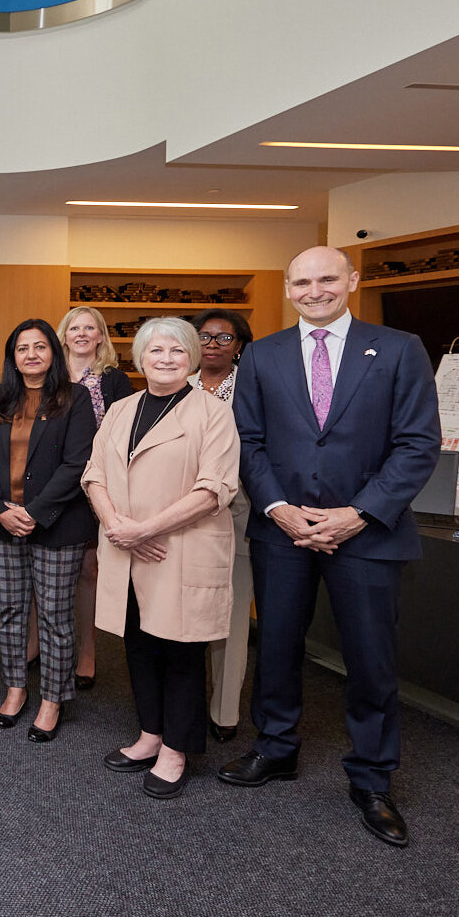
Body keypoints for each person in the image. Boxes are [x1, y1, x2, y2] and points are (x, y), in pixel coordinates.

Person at [219, 246, 440, 848]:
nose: (315, 290)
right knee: (279, 648)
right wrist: (279, 509)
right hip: (282, 531)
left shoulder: (398, 349)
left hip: (368, 535)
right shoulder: (262, 355)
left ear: (352, 280)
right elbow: (248, 440)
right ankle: (277, 749)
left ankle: (372, 779)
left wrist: (358, 513)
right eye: (302, 281)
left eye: (326, 278)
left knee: (371, 661)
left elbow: (418, 444)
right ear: (288, 289)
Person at [82, 317, 239, 799]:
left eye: (176, 351)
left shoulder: (212, 413)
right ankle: (150, 733)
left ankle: (177, 748)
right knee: (138, 645)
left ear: (191, 358)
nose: (166, 358)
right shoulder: (121, 409)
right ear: (140, 358)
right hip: (127, 548)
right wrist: (117, 527)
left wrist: (145, 530)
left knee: (181, 649)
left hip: (179, 549)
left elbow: (216, 488)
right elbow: (94, 474)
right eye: (156, 350)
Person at [0, 319, 97, 741]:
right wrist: (0, 510)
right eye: (22, 348)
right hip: (2, 523)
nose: (31, 354)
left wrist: (34, 511)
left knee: (55, 616)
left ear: (53, 353)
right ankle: (15, 688)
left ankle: (52, 699)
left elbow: (77, 463)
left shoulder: (74, 398)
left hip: (57, 525)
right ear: (12, 356)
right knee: (9, 611)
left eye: (40, 346)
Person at [57, 304, 135, 691]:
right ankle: (39, 643)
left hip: (94, 484)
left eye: (91, 328)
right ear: (65, 335)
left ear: (101, 336)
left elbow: (124, 434)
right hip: (53, 484)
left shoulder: (115, 381)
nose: (82, 334)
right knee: (44, 568)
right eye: (75, 328)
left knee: (88, 571)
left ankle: (86, 653)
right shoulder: (49, 374)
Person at [187, 309, 255, 743]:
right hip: (183, 515)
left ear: (240, 346)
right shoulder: (177, 384)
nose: (212, 344)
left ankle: (224, 711)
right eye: (204, 336)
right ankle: (185, 703)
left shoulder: (254, 389)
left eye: (223, 338)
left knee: (231, 614)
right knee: (187, 613)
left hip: (240, 512)